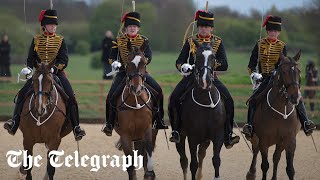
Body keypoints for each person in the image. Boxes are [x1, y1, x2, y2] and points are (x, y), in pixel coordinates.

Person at [3, 9, 86, 141]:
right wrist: (28, 69)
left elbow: (64, 60)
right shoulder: (36, 40)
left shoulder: (60, 40)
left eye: (55, 25)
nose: (53, 27)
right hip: (39, 75)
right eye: (51, 24)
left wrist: (54, 69)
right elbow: (30, 58)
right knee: (21, 95)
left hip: (57, 73)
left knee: (71, 97)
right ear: (44, 25)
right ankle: (14, 122)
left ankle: (76, 127)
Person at [168, 10, 240, 148]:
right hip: (191, 78)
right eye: (201, 26)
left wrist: (209, 65)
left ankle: (228, 134)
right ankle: (176, 130)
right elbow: (179, 61)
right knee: (174, 98)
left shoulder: (218, 42)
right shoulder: (190, 41)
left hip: (211, 77)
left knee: (229, 99)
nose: (204, 29)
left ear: (211, 28)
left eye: (206, 26)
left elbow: (224, 64)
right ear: (198, 27)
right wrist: (184, 67)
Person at [242, 15, 316, 138]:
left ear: (279, 32)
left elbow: (284, 65)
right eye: (271, 31)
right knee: (253, 99)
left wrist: (277, 74)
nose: (273, 33)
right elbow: (251, 65)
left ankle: (306, 122)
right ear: (267, 31)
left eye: (275, 31)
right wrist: (254, 74)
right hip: (262, 78)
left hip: (278, 77)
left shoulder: (282, 46)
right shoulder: (259, 44)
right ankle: (249, 125)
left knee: (297, 96)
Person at [101, 11, 168, 136]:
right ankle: (110, 123)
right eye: (130, 26)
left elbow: (149, 56)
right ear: (125, 28)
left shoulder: (144, 40)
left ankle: (159, 119)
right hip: (123, 73)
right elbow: (111, 57)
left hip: (141, 73)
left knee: (158, 90)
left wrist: (142, 62)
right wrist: (115, 63)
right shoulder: (118, 40)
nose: (132, 28)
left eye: (135, 26)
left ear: (138, 28)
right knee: (111, 96)